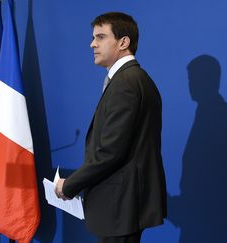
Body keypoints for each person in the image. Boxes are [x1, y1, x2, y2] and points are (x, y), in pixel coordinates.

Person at [55, 12, 167, 243]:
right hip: (121, 204)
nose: (92, 44)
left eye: (100, 37)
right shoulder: (133, 79)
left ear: (123, 42)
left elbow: (110, 151)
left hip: (120, 205)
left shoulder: (126, 83)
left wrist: (70, 185)